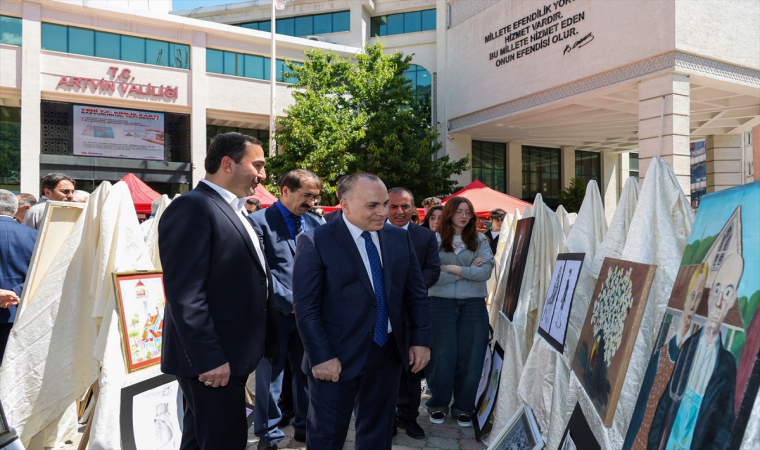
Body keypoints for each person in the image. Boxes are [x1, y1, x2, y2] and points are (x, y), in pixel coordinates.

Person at [293, 173, 432, 450]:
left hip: (387, 354)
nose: (383, 212)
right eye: (372, 205)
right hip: (335, 357)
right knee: (326, 438)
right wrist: (322, 357)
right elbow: (306, 307)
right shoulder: (316, 241)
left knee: (378, 437)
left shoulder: (398, 238)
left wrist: (420, 340)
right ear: (344, 204)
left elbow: (416, 294)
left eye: (384, 204)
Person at [158, 132, 278, 450]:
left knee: (202, 440)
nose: (263, 175)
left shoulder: (234, 209)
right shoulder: (193, 208)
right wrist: (209, 358)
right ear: (228, 164)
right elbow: (185, 293)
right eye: (258, 165)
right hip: (213, 361)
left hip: (229, 357)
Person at [250, 169, 325, 449]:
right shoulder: (257, 222)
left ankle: (305, 427)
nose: (312, 202)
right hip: (274, 315)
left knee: (307, 374)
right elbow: (260, 272)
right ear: (284, 190)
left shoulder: (316, 223)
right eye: (306, 195)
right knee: (271, 378)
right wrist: (291, 303)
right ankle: (268, 435)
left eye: (315, 197)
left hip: (309, 316)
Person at [648, 254, 743, 450]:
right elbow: (665, 402)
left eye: (727, 293)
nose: (718, 303)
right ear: (709, 295)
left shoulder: (727, 366)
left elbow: (723, 432)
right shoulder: (689, 345)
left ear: (733, 300)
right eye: (717, 290)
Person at [426, 197, 494, 428]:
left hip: (473, 304)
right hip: (440, 303)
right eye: (458, 212)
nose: (463, 216)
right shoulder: (433, 239)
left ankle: (464, 407)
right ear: (449, 214)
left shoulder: (480, 240)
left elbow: (485, 272)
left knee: (471, 356)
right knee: (442, 356)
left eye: (468, 212)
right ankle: (438, 404)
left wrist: (451, 268)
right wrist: (465, 271)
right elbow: (430, 274)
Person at [624, 264, 709, 450]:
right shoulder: (661, 356)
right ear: (686, 299)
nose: (694, 304)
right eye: (692, 296)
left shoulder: (695, 360)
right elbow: (639, 412)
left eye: (699, 298)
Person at [387, 187, 440, 440]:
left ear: (414, 208)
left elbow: (432, 270)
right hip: (380, 317)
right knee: (383, 371)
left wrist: (409, 290)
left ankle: (408, 417)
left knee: (411, 371)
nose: (400, 211)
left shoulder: (425, 237)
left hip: (410, 314)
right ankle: (385, 420)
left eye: (405, 206)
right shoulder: (372, 233)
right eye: (394, 206)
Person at [0, 189, 38, 364]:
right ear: (15, 210)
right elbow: (43, 273)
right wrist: (15, 293)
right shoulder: (35, 236)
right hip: (20, 311)